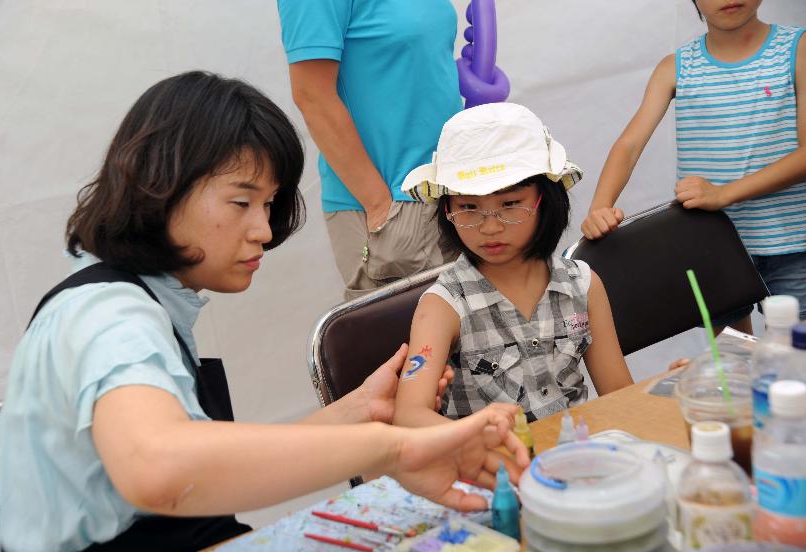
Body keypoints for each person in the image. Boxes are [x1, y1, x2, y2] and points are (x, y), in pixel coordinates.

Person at [0, 72, 530, 552]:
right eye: (241, 202)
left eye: (269, 204)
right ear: (161, 186)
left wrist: (362, 412)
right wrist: (396, 448)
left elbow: (204, 461)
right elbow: (160, 470)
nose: (265, 231)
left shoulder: (143, 303)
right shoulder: (106, 316)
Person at [392, 103, 633, 429]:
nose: (490, 227)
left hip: (580, 461)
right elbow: (409, 417)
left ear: (545, 200)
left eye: (510, 204)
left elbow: (620, 396)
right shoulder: (444, 304)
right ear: (446, 208)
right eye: (468, 207)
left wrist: (667, 389)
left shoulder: (583, 285)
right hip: (493, 471)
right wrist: (479, 438)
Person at [581, 0, 806, 329]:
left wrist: (724, 194)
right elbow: (628, 146)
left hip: (793, 243)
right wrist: (600, 208)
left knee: (797, 365)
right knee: (732, 364)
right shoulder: (675, 67)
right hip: (712, 247)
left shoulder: (798, 49)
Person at [276, 0, 462, 300]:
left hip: (451, 192)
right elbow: (312, 97)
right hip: (395, 204)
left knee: (467, 340)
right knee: (402, 344)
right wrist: (380, 207)